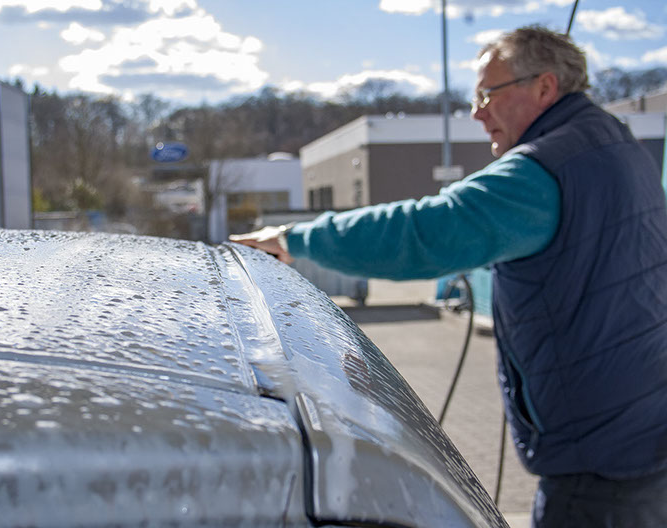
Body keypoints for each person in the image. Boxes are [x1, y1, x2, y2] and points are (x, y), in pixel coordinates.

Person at [231, 25, 667, 528]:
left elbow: (423, 233)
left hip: (598, 455)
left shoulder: (541, 173)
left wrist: (294, 239)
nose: (478, 112)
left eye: (488, 94)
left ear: (545, 88)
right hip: (642, 419)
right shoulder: (617, 144)